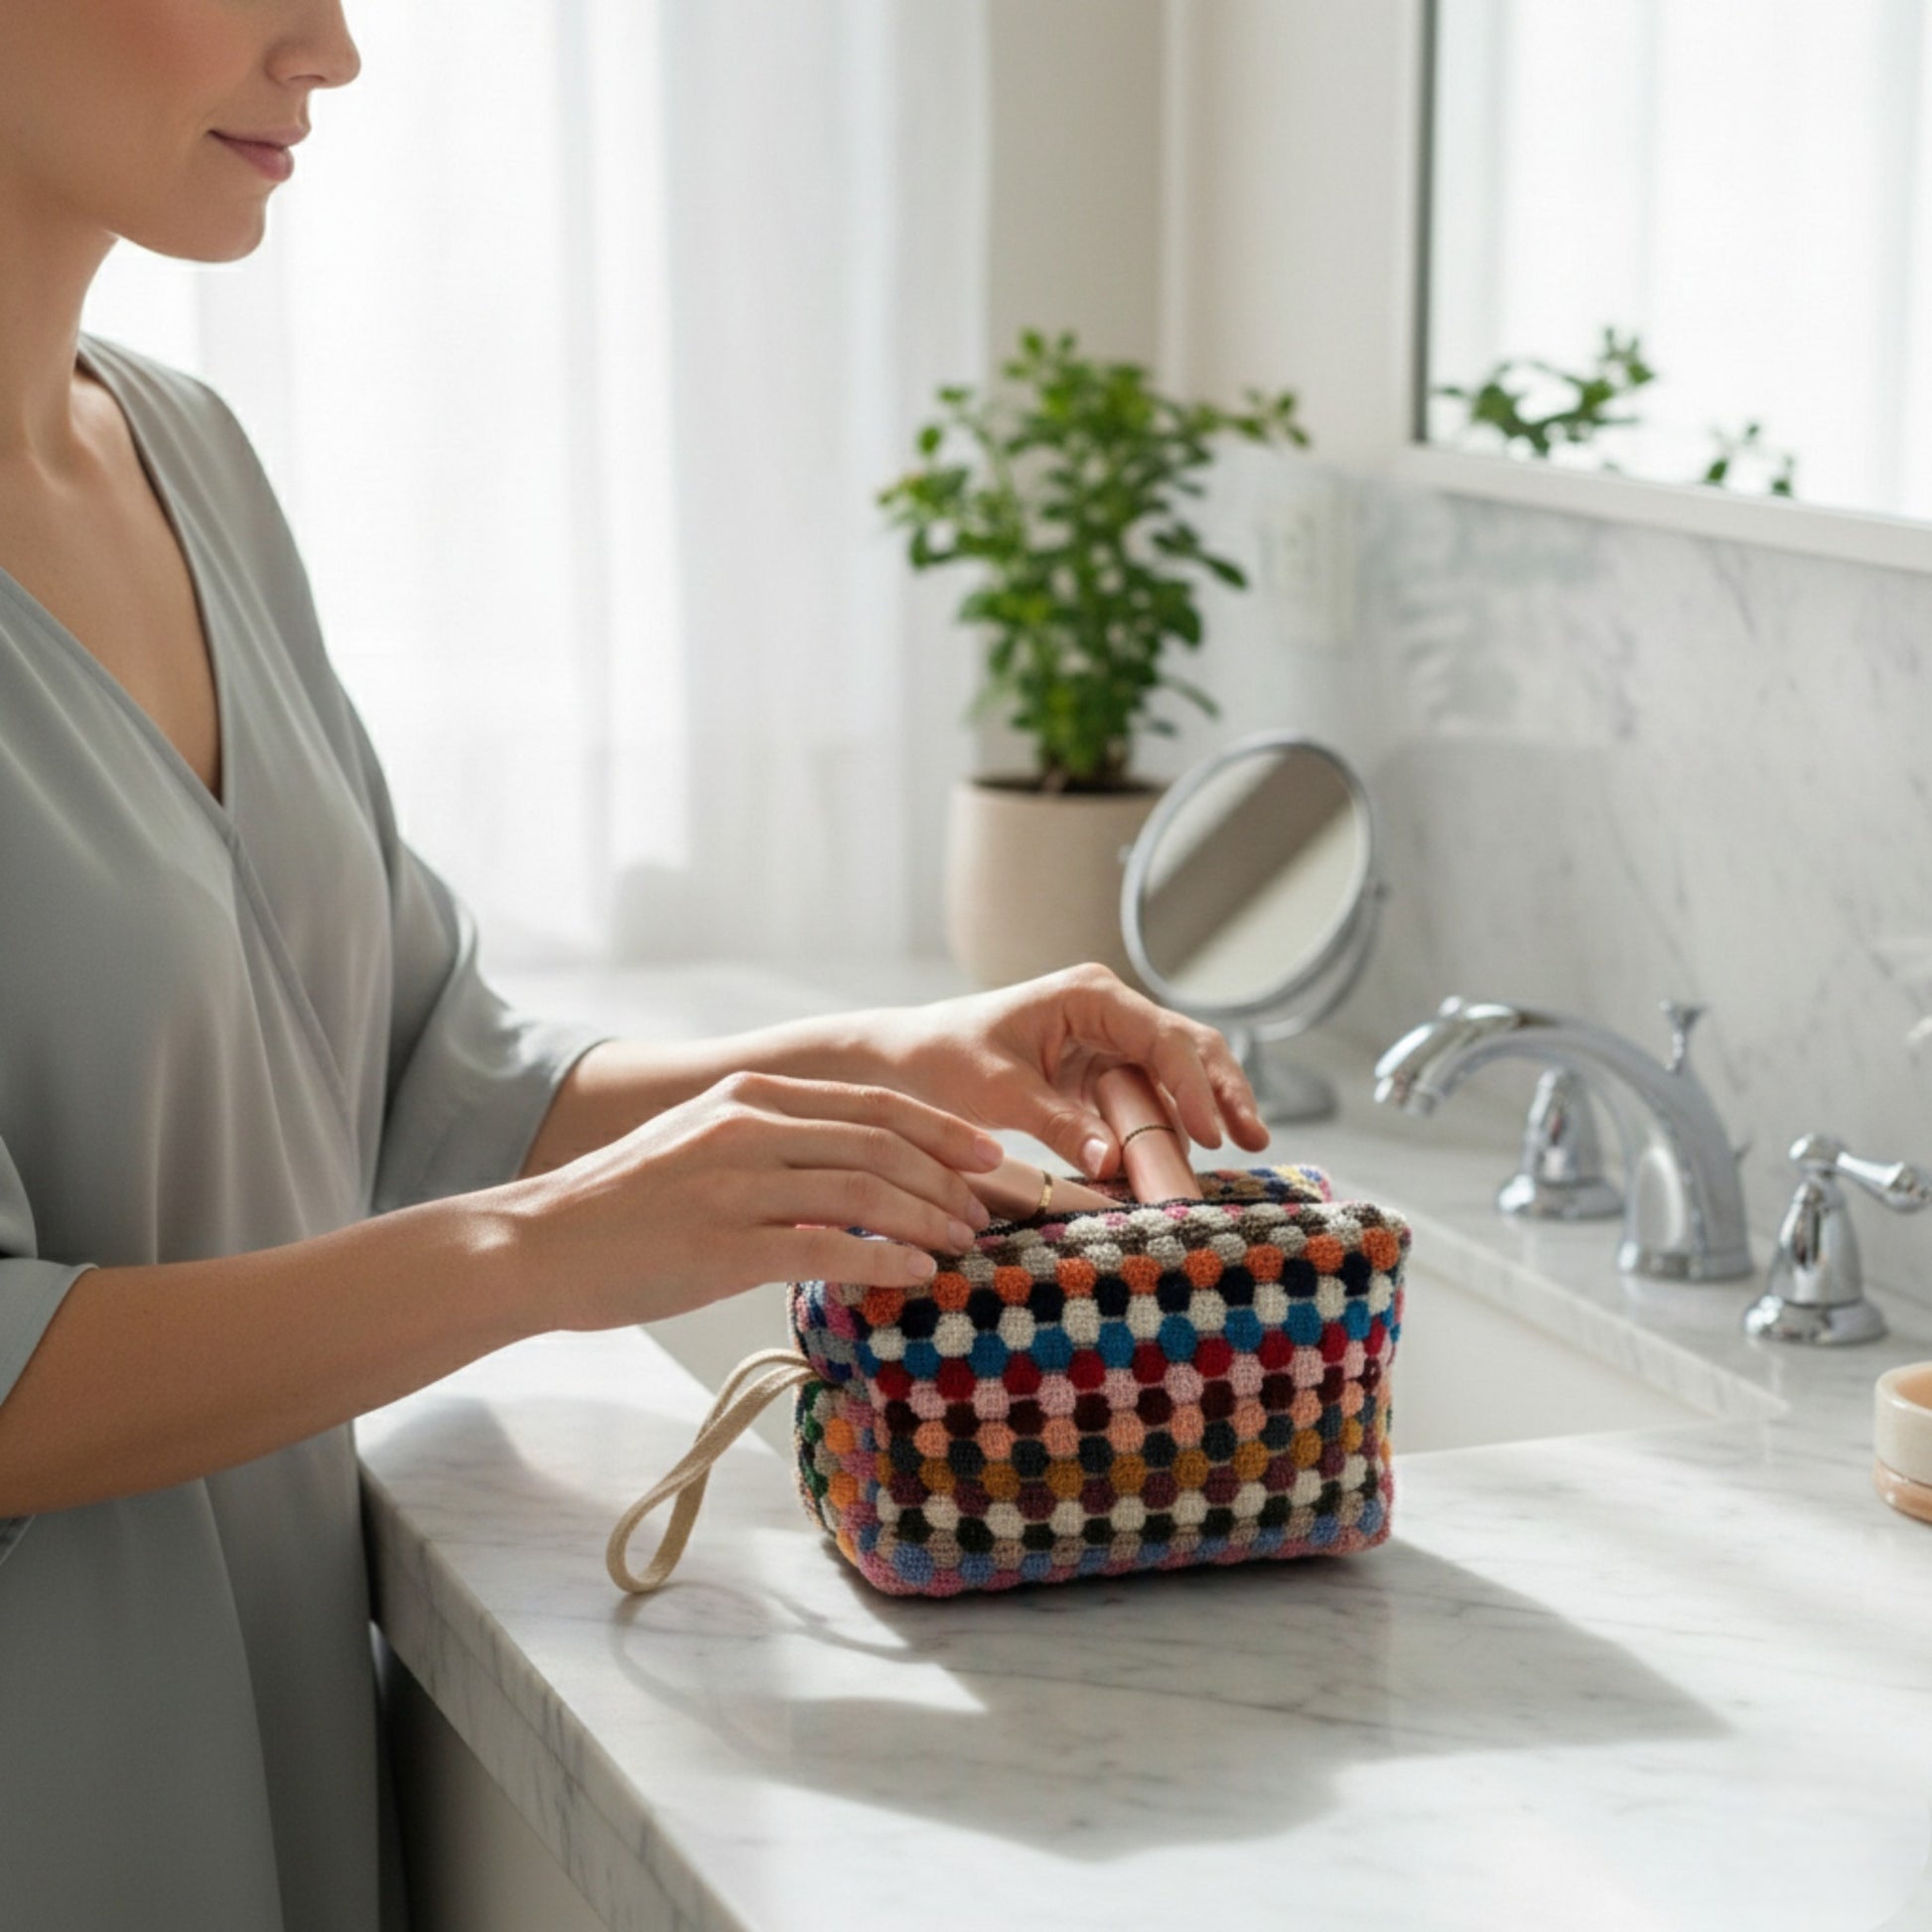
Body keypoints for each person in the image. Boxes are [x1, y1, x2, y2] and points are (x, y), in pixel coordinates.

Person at [0, 3, 1271, 1927]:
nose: (330, 49)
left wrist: (899, 1057)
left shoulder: (181, 453)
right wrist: (552, 1253)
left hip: (260, 1725)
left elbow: (414, 1079)